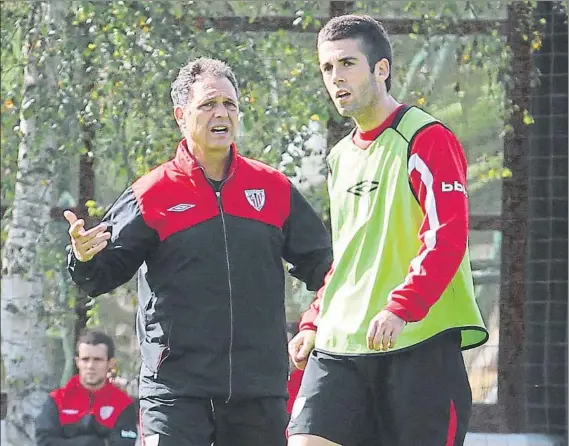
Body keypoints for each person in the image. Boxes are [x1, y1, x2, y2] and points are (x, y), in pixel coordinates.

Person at [64, 57, 333, 446]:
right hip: (175, 392)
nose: (220, 113)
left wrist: (315, 320)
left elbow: (325, 265)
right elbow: (101, 275)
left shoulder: (273, 187)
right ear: (181, 115)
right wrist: (84, 257)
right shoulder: (151, 192)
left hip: (258, 389)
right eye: (207, 105)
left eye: (229, 104)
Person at [287, 15, 489, 446]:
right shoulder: (340, 156)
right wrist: (313, 320)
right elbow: (350, 255)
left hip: (418, 340)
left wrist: (402, 306)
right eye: (327, 68)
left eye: (347, 64)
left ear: (381, 69)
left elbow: (447, 235)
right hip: (340, 344)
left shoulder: (427, 138)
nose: (336, 78)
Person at [35, 330, 137, 446]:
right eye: (85, 359)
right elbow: (44, 442)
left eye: (97, 360)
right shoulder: (57, 400)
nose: (90, 366)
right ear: (77, 362)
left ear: (111, 363)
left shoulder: (123, 404)